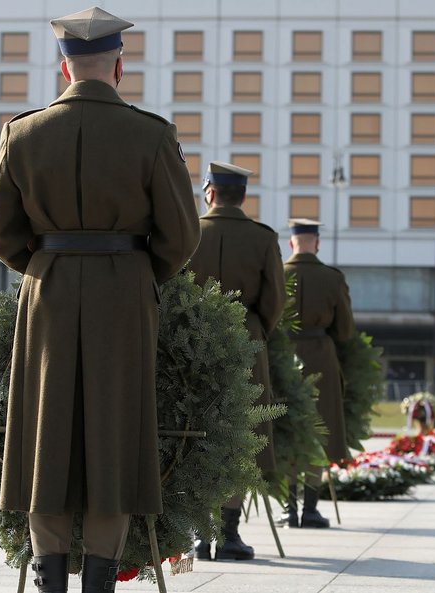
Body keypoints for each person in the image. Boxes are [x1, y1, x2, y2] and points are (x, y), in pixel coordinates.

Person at [0, 7, 200, 592]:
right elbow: (182, 237)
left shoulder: (22, 133)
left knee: (45, 436)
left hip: (47, 292)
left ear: (64, 68)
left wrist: (46, 266)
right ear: (120, 67)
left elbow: (0, 233)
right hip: (124, 293)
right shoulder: (153, 134)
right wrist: (135, 272)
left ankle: (50, 577)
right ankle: (100, 581)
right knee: (115, 433)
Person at [187, 161, 285, 560]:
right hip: (247, 339)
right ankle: (229, 533)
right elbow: (275, 302)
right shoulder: (263, 238)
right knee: (240, 436)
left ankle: (199, 533)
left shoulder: (191, 232)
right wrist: (256, 331)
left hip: (191, 342)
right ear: (242, 196)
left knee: (194, 433)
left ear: (209, 192)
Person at [282, 219, 355, 529]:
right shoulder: (332, 278)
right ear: (318, 242)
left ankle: (289, 507)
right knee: (317, 429)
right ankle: (310, 508)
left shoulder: (279, 273)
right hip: (321, 358)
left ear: (291, 243)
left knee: (286, 429)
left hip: (283, 358)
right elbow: (346, 330)